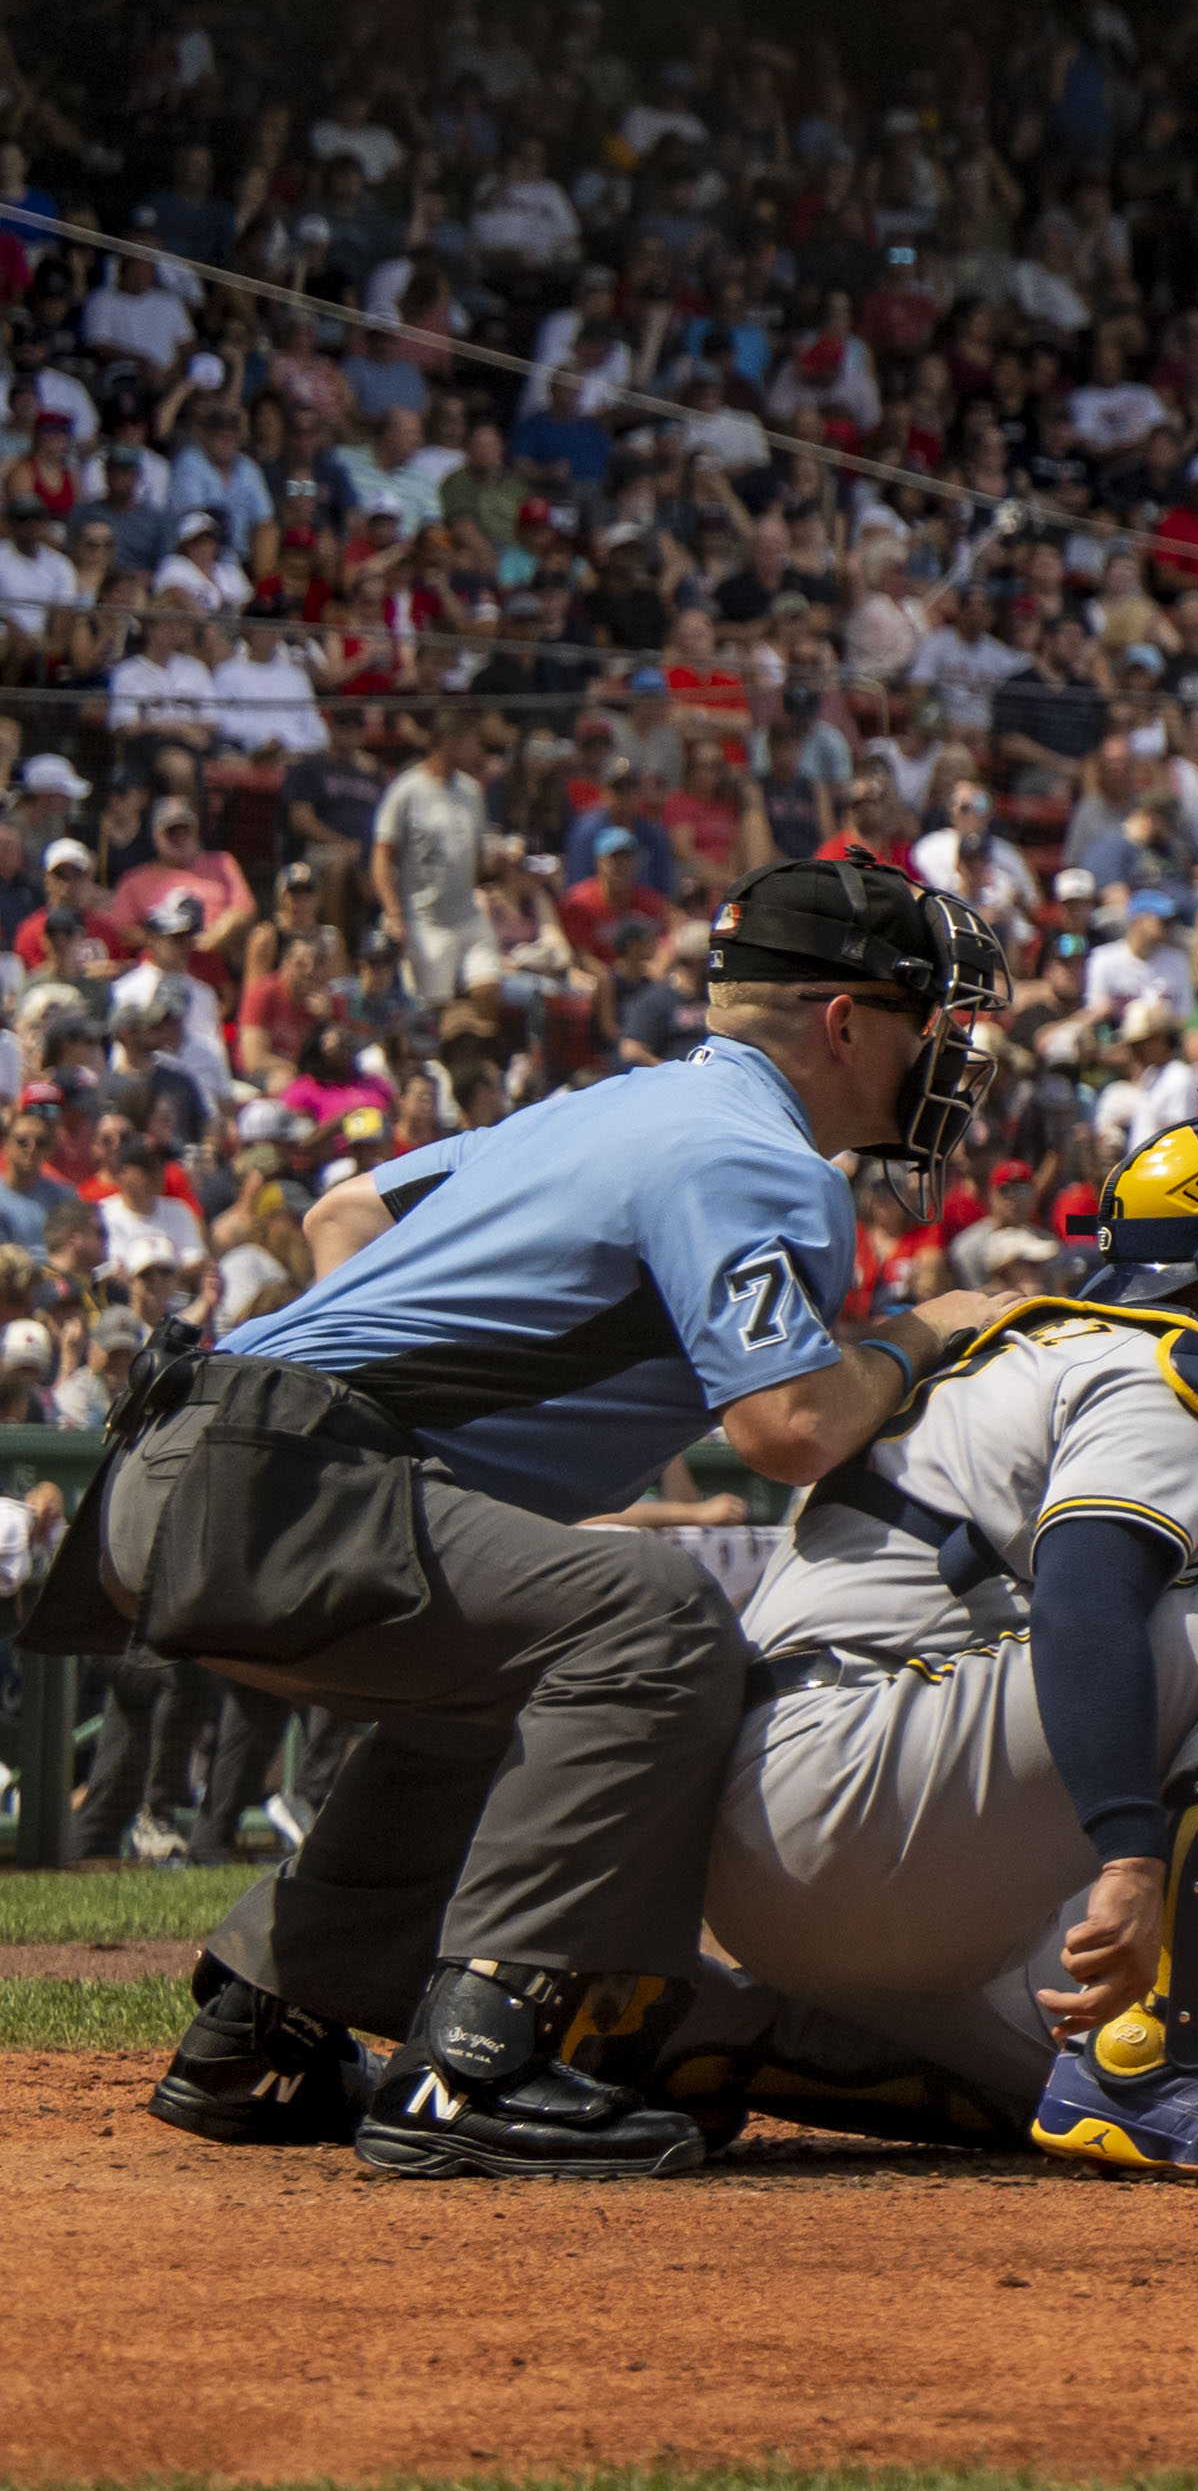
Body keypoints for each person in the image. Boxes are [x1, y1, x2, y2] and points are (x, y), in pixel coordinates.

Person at [33, 853, 1008, 2179]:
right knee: (659, 1621)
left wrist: (417, 1441)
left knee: (515, 1669)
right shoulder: (755, 1153)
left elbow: (345, 1209)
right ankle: (479, 2054)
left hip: (185, 1469)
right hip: (279, 1487)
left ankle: (265, 2024)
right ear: (845, 1019)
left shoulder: (606, 1107)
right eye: (924, 1016)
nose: (943, 1051)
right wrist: (917, 1332)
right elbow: (790, 1428)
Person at [673, 1105, 1198, 2176]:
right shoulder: (1167, 1371)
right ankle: (1162, 2066)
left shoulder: (1083, 1348)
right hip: (859, 1782)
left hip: (785, 1850)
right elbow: (1085, 1601)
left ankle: (716, 2029)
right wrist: (1130, 1856)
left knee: (1050, 2081)